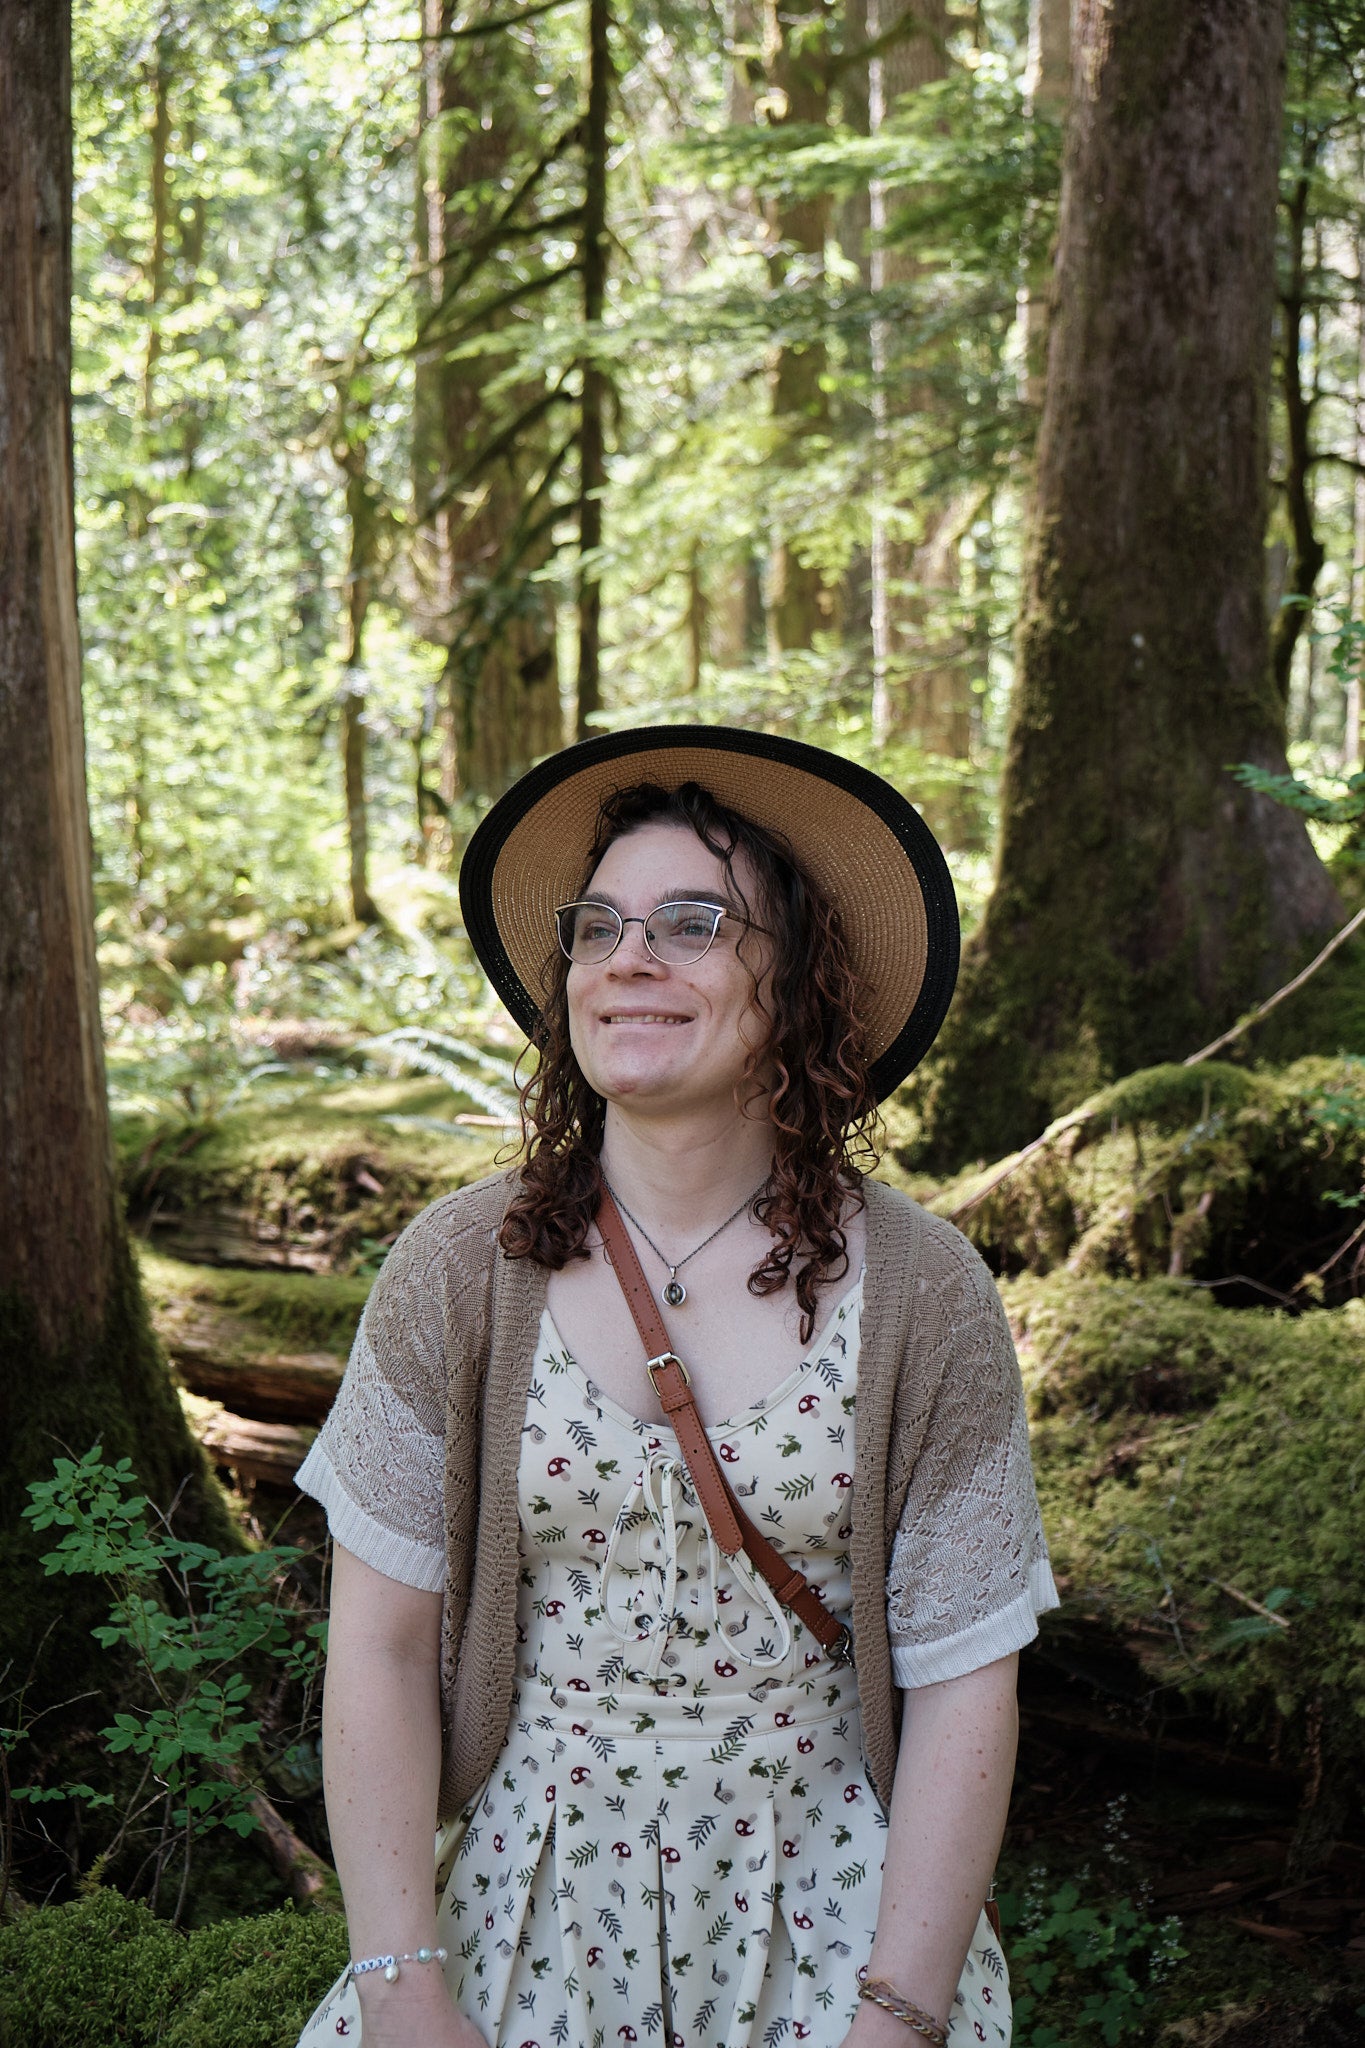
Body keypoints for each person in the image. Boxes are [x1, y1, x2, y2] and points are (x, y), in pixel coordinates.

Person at [294, 726, 1058, 2048]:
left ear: (798, 980)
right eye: (597, 928)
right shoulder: (455, 1273)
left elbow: (960, 1683)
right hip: (518, 1904)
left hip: (833, 1909)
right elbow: (377, 1643)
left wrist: (900, 2011)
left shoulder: (927, 1296)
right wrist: (402, 1981)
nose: (629, 958)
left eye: (691, 924)